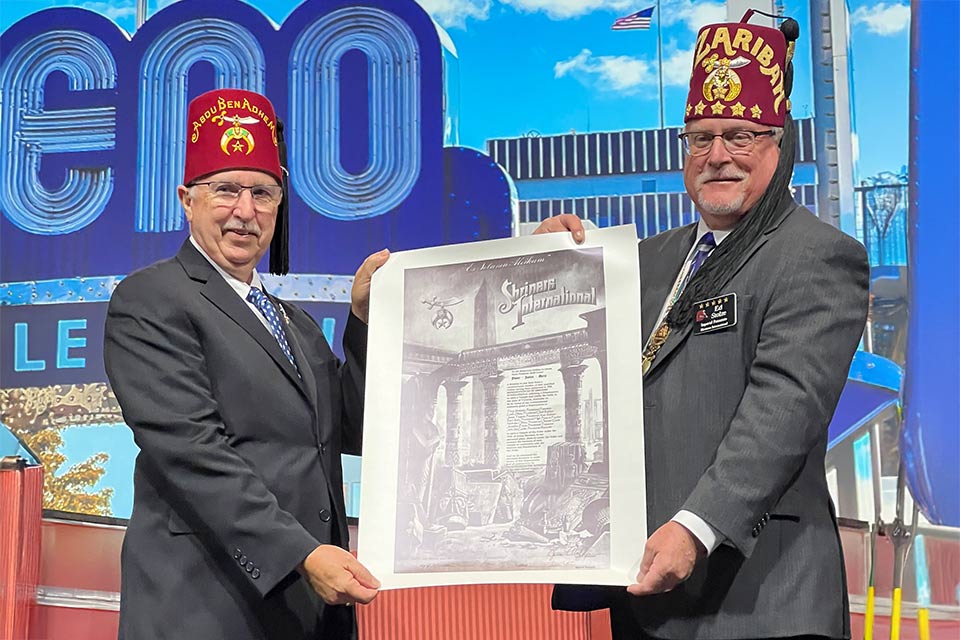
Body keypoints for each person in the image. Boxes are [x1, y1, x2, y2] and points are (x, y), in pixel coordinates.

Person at [541, 13, 869, 640]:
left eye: (740, 136)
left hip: (763, 605)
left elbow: (783, 409)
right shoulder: (641, 260)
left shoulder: (817, 256)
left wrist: (696, 527)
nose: (718, 156)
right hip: (642, 598)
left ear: (781, 141)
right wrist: (546, 266)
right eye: (700, 138)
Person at [103, 88, 389, 640]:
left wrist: (363, 321)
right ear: (187, 199)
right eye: (226, 189)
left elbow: (349, 431)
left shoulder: (295, 324)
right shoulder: (151, 300)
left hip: (308, 611)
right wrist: (302, 555)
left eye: (263, 193)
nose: (245, 211)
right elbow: (193, 453)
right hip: (205, 607)